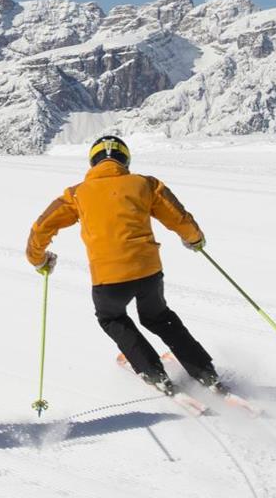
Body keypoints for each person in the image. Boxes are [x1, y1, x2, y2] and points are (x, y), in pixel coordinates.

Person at [23, 135, 228, 395]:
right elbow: (178, 216)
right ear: (125, 160)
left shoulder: (76, 194)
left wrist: (38, 259)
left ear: (93, 162)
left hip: (108, 280)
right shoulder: (145, 184)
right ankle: (206, 372)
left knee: (111, 318)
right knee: (159, 317)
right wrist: (194, 239)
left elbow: (42, 227)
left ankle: (154, 372)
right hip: (148, 272)